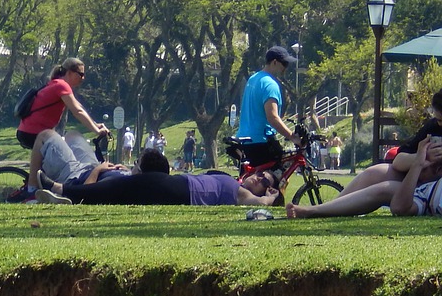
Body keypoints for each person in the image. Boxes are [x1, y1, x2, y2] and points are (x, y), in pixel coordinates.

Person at [287, 137, 442, 218]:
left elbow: (400, 208)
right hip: (421, 194)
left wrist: (418, 165)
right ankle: (318, 210)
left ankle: (315, 211)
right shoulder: (424, 194)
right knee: (383, 186)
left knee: (385, 189)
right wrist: (417, 163)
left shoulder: (426, 194)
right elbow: (400, 207)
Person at [36, 156, 281, 207]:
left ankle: (61, 190)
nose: (258, 177)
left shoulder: (243, 195)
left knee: (124, 187)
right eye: (260, 174)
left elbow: (261, 204)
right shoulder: (231, 180)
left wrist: (272, 195)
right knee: (122, 189)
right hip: (178, 185)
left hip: (183, 192)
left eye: (264, 181)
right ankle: (63, 192)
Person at [16, 57, 110, 191]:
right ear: (70, 73)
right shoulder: (62, 85)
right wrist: (96, 131)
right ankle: (32, 190)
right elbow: (77, 111)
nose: (83, 78)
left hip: (27, 131)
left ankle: (42, 184)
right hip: (32, 133)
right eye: (81, 74)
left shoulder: (57, 84)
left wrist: (96, 124)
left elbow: (79, 107)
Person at [234, 46, 298, 167]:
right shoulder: (270, 85)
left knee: (251, 182)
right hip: (260, 141)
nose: (286, 68)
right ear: (274, 62)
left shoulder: (253, 79)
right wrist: (292, 136)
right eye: (284, 63)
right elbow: (272, 117)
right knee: (277, 177)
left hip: (244, 138)